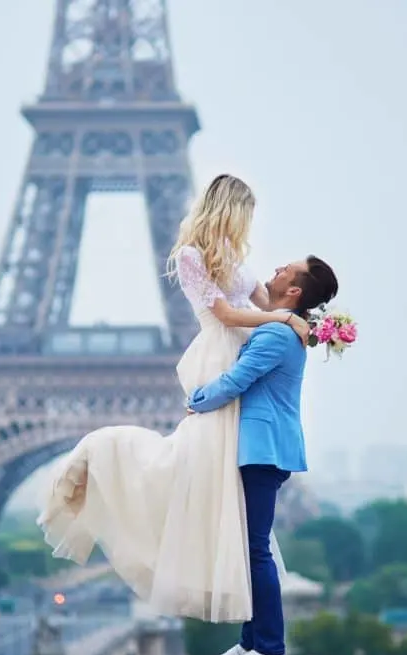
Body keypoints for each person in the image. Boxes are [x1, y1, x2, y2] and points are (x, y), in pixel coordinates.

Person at [37, 174, 308, 623]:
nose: (249, 225)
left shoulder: (237, 258)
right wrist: (282, 319)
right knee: (200, 460)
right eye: (246, 214)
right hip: (220, 350)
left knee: (223, 481)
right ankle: (103, 457)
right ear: (230, 209)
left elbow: (264, 305)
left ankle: (252, 637)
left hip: (243, 347)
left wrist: (308, 320)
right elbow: (223, 312)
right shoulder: (191, 255)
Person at [189, 255, 339, 655]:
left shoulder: (275, 333)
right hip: (263, 447)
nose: (275, 269)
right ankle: (251, 642)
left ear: (294, 291)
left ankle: (270, 650)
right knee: (252, 547)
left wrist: (195, 401)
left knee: (255, 550)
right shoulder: (280, 326)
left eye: (284, 270)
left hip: (262, 449)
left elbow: (237, 380)